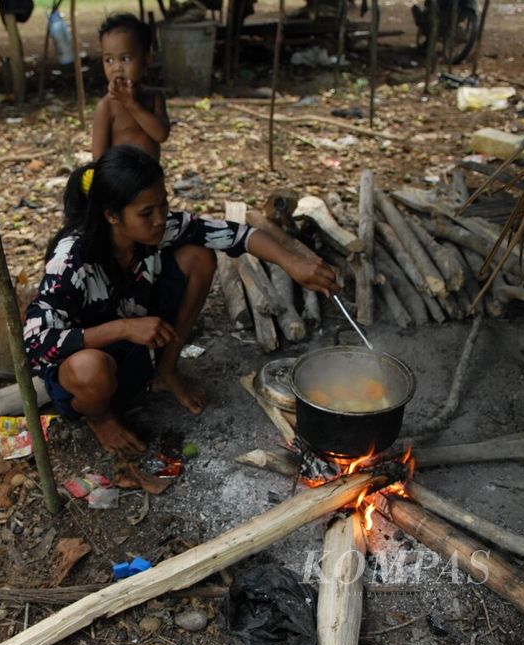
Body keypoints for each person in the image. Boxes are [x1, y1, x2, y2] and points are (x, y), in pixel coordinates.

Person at [24, 146, 339, 455]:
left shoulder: (158, 229)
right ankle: (101, 418)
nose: (160, 219)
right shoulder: (71, 259)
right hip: (88, 371)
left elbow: (237, 235)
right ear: (111, 216)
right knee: (90, 368)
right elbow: (37, 344)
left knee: (199, 257)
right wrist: (123, 328)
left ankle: (165, 371)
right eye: (146, 212)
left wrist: (291, 262)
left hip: (136, 350)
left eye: (163, 205)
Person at [91, 13, 170, 161]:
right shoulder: (106, 107)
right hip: (121, 182)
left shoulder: (154, 98)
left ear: (146, 60)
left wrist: (131, 104)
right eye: (109, 60)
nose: (116, 68)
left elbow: (161, 134)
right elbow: (98, 159)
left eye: (125, 59)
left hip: (152, 180)